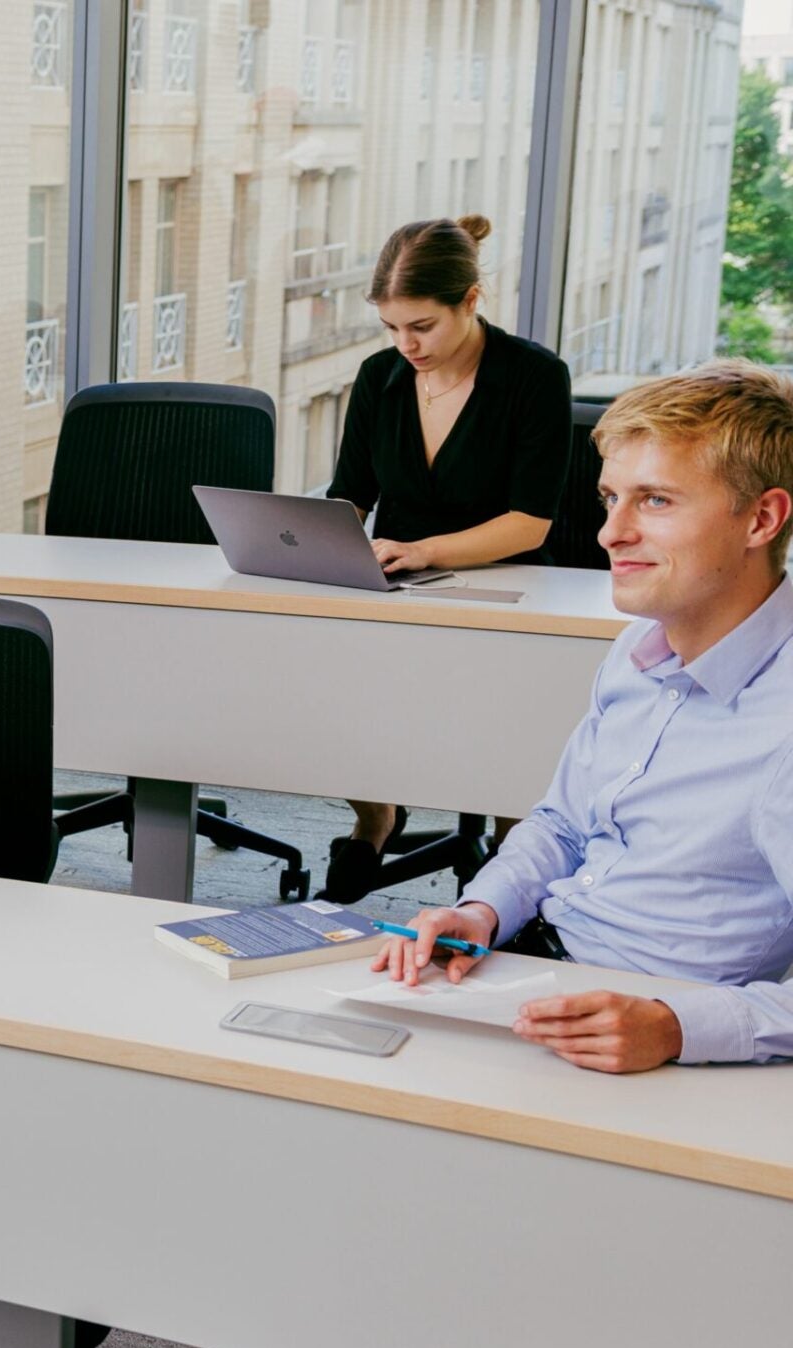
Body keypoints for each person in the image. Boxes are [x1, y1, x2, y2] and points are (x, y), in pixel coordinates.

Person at [372, 360, 793, 1071]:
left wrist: (677, 1029)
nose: (608, 533)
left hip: (646, 1021)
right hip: (536, 961)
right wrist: (480, 914)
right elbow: (564, 824)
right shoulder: (639, 650)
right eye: (609, 498)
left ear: (761, 518)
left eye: (655, 501)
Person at [322, 215, 573, 902]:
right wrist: (318, 542)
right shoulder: (380, 378)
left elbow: (530, 522)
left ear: (471, 299)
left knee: (504, 730)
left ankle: (512, 856)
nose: (406, 346)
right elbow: (351, 495)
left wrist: (422, 550)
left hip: (509, 586)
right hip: (398, 583)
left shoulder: (534, 377)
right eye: (392, 329)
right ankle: (376, 817)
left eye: (422, 327)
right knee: (326, 676)